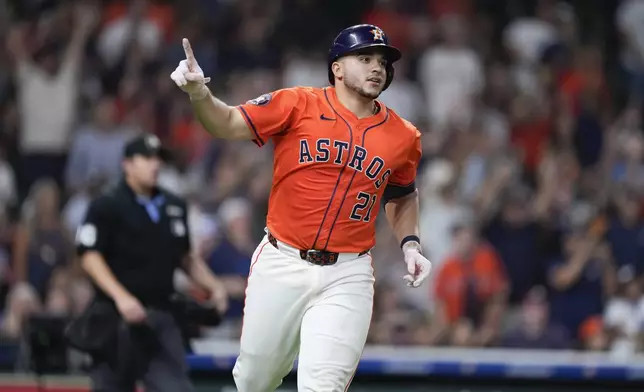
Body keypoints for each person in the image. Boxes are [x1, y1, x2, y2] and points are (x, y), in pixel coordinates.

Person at [171, 24, 432, 392]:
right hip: (283, 260)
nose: (377, 67)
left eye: (383, 61)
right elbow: (227, 122)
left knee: (323, 386)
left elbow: (402, 193)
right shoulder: (297, 103)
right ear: (337, 68)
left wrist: (410, 245)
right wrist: (199, 92)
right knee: (254, 379)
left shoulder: (404, 135)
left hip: (348, 272)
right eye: (365, 58)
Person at [75, 133, 228, 392]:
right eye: (146, 158)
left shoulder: (174, 205)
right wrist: (121, 297)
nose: (154, 164)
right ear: (127, 164)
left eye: (158, 158)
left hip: (161, 314)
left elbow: (184, 257)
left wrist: (214, 285)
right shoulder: (107, 205)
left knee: (176, 388)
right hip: (115, 317)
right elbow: (89, 256)